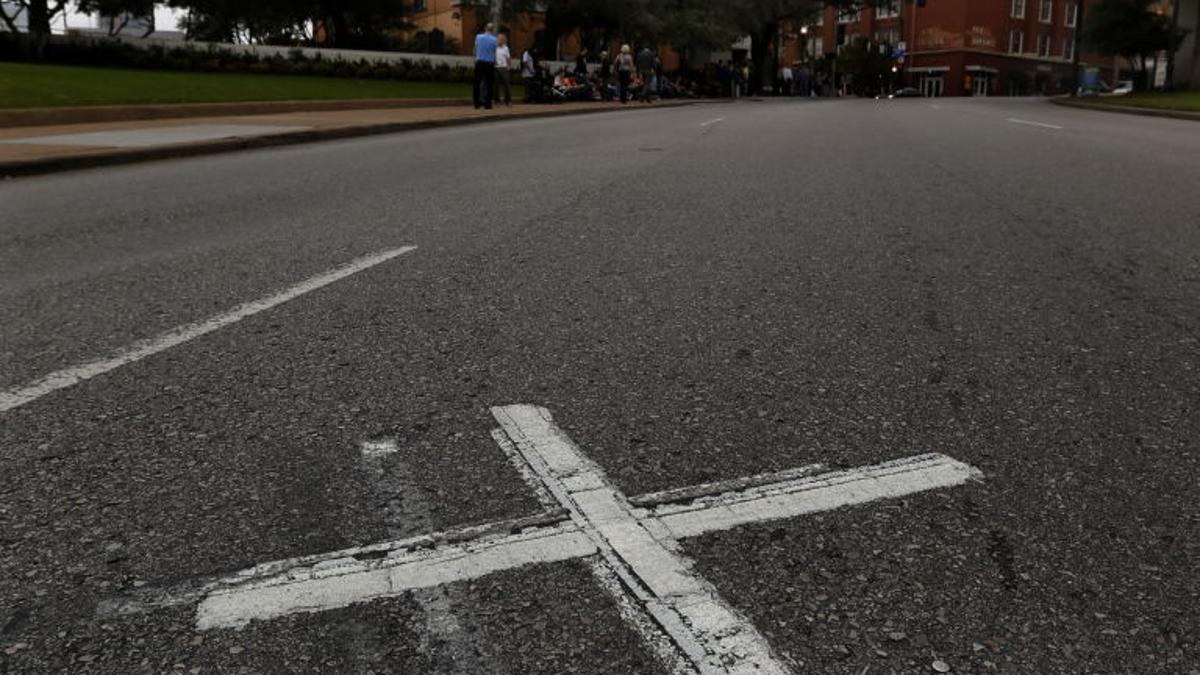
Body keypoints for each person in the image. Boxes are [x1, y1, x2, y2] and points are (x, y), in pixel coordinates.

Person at [473, 23, 498, 109]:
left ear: (485, 28)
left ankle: (477, 103)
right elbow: (494, 52)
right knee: (489, 84)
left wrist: (475, 58)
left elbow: (475, 49)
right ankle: (488, 104)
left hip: (479, 62)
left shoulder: (478, 37)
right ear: (493, 30)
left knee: (477, 83)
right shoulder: (495, 40)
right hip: (489, 63)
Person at [494, 33, 512, 106]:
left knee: (506, 85)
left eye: (501, 39)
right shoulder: (494, 47)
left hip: (504, 68)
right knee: (496, 86)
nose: (500, 40)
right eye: (498, 39)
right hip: (496, 68)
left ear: (504, 40)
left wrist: (509, 66)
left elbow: (508, 58)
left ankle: (508, 101)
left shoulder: (506, 48)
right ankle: (497, 101)